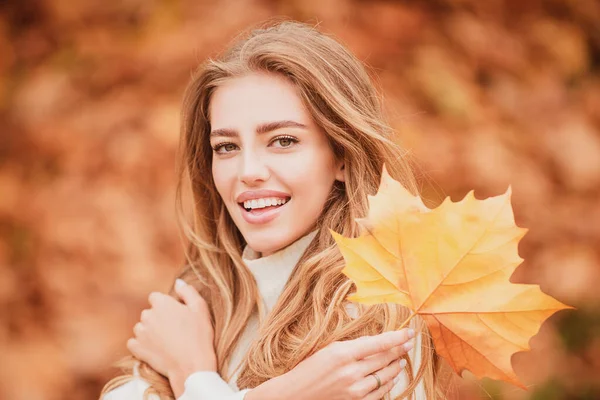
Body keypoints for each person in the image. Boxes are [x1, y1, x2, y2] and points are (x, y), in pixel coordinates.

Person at [100, 20, 445, 400]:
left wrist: (194, 378)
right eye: (227, 147)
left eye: (283, 141)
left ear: (342, 157)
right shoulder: (207, 299)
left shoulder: (377, 318)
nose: (248, 172)